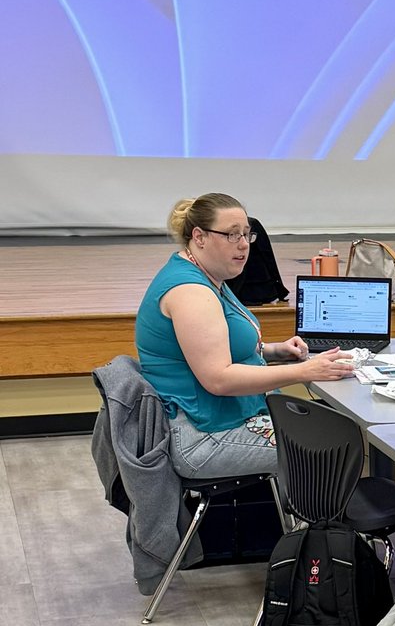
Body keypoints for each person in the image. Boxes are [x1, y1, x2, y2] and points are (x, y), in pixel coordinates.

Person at [135, 193, 357, 479]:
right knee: (334, 449)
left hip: (220, 420)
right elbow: (219, 378)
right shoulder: (192, 294)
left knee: (333, 435)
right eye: (231, 235)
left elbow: (213, 348)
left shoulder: (206, 275)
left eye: (246, 235)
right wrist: (304, 371)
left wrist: (276, 351)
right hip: (202, 437)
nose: (243, 245)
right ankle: (320, 522)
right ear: (199, 237)